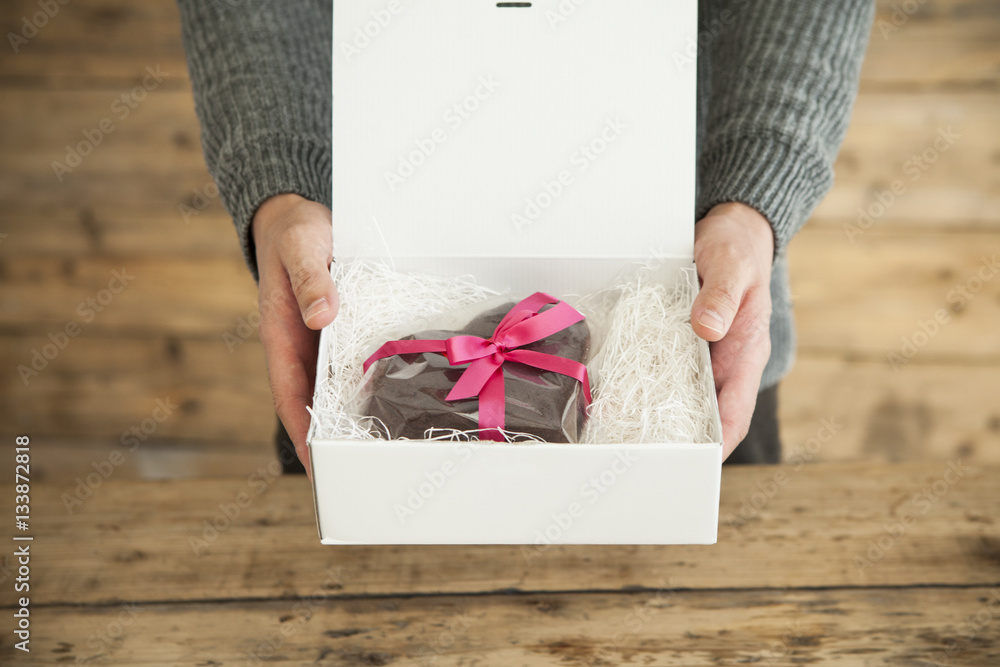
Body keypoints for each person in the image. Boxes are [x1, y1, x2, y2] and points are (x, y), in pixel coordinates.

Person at [176, 1, 874, 474]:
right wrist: (283, 192)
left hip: (703, 319)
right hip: (339, 277)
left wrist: (751, 200)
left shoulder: (659, 372)